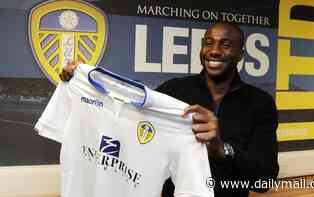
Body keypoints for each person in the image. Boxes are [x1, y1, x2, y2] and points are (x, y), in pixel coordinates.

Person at [60, 22, 279, 197]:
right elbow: (125, 106)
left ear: (240, 55)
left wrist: (221, 149)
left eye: (225, 44)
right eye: (209, 43)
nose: (214, 50)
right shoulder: (173, 91)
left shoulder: (260, 103)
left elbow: (264, 180)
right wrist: (85, 78)